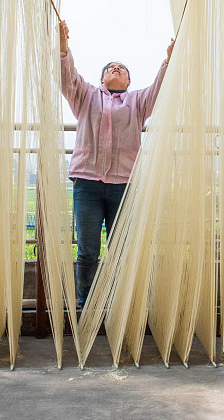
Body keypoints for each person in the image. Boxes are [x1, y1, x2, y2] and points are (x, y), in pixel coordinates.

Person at [59, 20, 174, 309]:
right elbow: (67, 78)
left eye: (121, 69)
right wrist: (63, 47)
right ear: (101, 80)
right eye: (110, 68)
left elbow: (160, 89)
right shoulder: (85, 95)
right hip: (87, 184)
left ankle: (120, 307)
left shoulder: (137, 102)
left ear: (129, 82)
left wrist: (168, 62)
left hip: (124, 186)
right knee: (87, 251)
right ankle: (86, 305)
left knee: (121, 250)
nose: (116, 69)